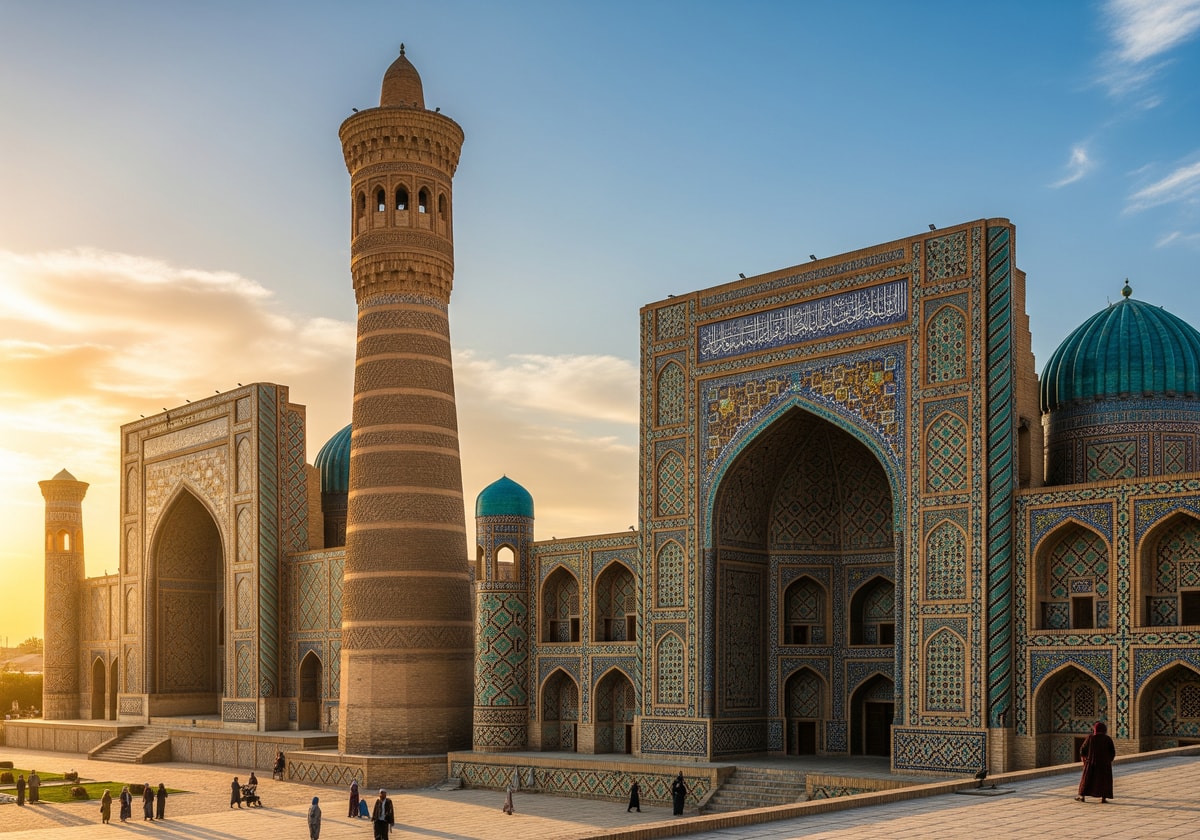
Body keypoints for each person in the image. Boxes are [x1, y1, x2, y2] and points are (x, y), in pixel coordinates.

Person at [1076, 720, 1117, 803]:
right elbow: (1112, 752)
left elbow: (1083, 750)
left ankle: (1082, 796)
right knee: (1104, 781)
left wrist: (1084, 758)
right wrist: (1109, 760)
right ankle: (1103, 798)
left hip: (1091, 763)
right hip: (1104, 765)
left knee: (1087, 780)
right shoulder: (1107, 739)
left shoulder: (1090, 738)